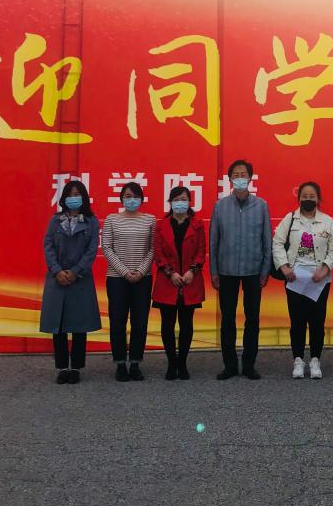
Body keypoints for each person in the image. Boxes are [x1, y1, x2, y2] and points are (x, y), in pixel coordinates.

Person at [209, 158, 272, 380]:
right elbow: (214, 241)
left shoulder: (261, 206)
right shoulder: (220, 206)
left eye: (243, 174)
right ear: (229, 179)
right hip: (226, 271)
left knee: (252, 319)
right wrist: (214, 271)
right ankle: (229, 365)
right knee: (227, 319)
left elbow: (267, 241)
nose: (239, 178)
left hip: (253, 271)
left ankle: (248, 365)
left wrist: (265, 270)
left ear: (250, 178)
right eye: (235, 175)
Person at [272, 181, 333, 379]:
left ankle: (315, 359)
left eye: (312, 196)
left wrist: (325, 269)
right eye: (304, 196)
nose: (308, 200)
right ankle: (298, 360)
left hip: (320, 281)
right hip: (294, 279)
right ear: (298, 198)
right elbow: (277, 243)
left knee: (317, 321)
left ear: (318, 199)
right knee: (297, 322)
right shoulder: (290, 219)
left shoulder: (327, 222)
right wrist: (284, 267)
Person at [40, 180, 102, 384]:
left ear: (83, 198)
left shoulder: (91, 221)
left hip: (80, 279)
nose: (73, 198)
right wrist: (57, 271)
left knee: (78, 325)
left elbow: (91, 250)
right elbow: (48, 245)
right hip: (57, 278)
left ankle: (75, 367)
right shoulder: (55, 220)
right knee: (58, 326)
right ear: (64, 198)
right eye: (70, 194)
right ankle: (61, 367)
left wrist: (75, 272)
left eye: (77, 194)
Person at [101, 181, 155, 382]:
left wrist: (141, 271)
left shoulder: (150, 220)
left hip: (143, 279)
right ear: (121, 199)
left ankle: (135, 364)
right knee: (118, 322)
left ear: (141, 199)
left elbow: (153, 248)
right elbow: (107, 248)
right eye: (128, 196)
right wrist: (124, 272)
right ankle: (120, 364)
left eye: (135, 196)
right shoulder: (112, 219)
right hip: (117, 279)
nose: (132, 200)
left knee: (140, 322)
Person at [152, 185, 206, 380]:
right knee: (167, 324)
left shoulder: (197, 225)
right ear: (170, 202)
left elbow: (201, 251)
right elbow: (158, 253)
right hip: (168, 282)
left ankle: (182, 363)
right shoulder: (161, 225)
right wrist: (171, 273)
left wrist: (191, 271)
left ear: (189, 202)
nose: (180, 203)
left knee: (186, 324)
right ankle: (171, 363)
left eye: (183, 199)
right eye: (176, 200)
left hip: (190, 281)